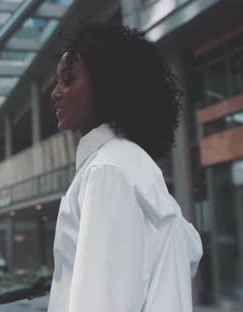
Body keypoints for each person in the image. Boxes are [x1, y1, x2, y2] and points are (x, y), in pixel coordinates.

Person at [47, 23, 203, 312]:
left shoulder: (108, 170)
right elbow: (189, 251)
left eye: (68, 79)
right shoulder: (130, 164)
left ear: (108, 84)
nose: (55, 93)